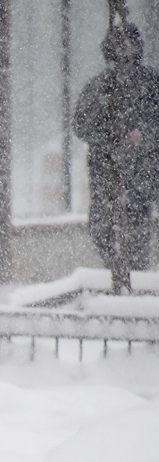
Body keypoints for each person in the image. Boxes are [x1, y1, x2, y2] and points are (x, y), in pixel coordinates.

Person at [72, 22, 159, 290]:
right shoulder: (100, 86)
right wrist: (111, 138)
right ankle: (119, 280)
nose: (125, 48)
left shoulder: (150, 83)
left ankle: (134, 285)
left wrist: (143, 136)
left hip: (141, 176)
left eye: (129, 42)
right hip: (106, 174)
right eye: (119, 43)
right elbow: (81, 125)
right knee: (102, 228)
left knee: (137, 233)